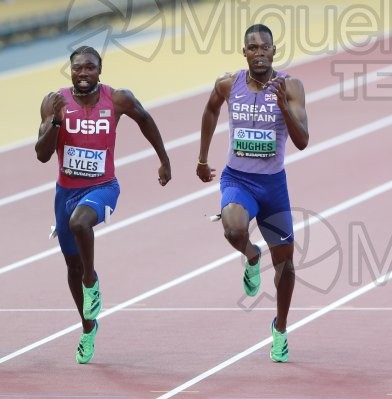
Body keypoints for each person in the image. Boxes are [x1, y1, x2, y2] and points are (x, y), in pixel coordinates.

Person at [35, 45, 172, 364]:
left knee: (80, 223)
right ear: (70, 71)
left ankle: (91, 281)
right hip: (64, 193)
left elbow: (146, 119)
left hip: (104, 188)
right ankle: (87, 327)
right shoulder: (54, 102)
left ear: (100, 70)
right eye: (78, 68)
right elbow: (42, 155)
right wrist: (55, 122)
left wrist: (164, 160)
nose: (84, 73)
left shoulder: (118, 98)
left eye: (90, 68)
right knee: (71, 266)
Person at [196, 24, 309, 363]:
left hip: (273, 186)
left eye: (265, 47)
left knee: (286, 267)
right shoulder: (229, 84)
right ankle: (251, 255)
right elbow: (211, 109)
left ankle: (280, 328)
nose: (259, 53)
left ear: (274, 51)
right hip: (238, 180)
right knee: (232, 229)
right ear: (243, 52)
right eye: (252, 47)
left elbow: (302, 141)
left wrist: (283, 107)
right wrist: (202, 159)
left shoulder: (290, 86)